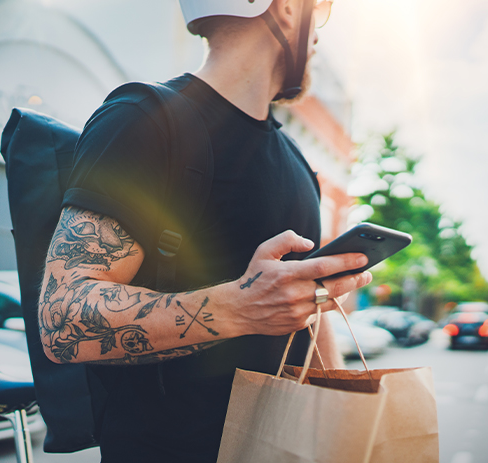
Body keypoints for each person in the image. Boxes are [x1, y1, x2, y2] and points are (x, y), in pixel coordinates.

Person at [37, 0, 371, 461]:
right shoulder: (144, 119)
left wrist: (341, 421)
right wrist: (240, 309)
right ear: (289, 10)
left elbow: (310, 312)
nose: (319, 33)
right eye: (322, 10)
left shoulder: (298, 165)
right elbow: (63, 317)